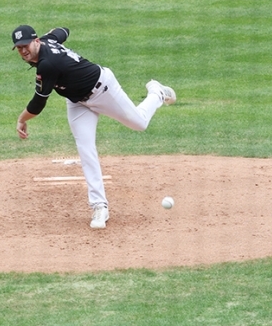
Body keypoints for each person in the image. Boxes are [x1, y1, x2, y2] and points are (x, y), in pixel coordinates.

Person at [11, 24, 176, 229]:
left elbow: (38, 103)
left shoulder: (47, 64)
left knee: (140, 123)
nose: (23, 50)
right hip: (77, 102)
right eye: (19, 48)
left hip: (103, 90)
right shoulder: (46, 42)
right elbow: (63, 31)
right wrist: (51, 36)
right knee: (86, 148)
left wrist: (22, 119)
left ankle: (157, 92)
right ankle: (99, 206)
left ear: (36, 41)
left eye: (26, 45)